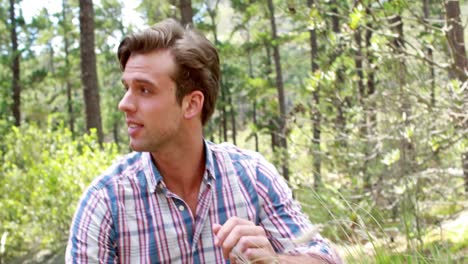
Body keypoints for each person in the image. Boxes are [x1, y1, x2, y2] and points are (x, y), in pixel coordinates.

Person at [66, 18, 342, 264]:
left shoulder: (252, 176)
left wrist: (274, 261)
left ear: (191, 104)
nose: (124, 104)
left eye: (145, 90)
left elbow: (327, 258)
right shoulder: (105, 202)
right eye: (127, 88)